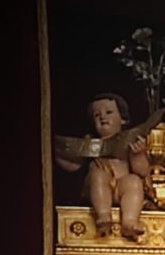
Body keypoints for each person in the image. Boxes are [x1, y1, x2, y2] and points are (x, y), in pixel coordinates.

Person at [56, 93, 150, 239]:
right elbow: (73, 165)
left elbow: (142, 171)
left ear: (123, 119)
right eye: (97, 115)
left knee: (134, 181)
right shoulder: (90, 143)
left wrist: (138, 154)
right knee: (99, 172)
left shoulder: (128, 142)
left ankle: (130, 221)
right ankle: (103, 214)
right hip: (97, 186)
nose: (102, 117)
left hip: (120, 187)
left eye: (109, 112)